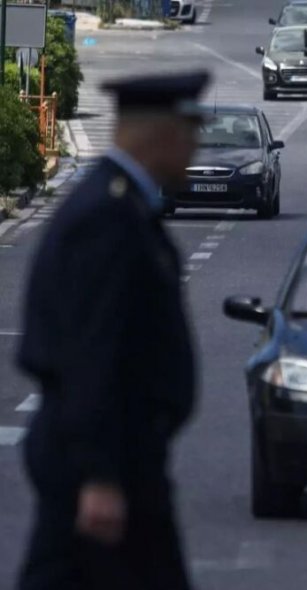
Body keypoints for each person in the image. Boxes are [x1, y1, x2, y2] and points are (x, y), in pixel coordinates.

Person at [16, 70, 210, 590]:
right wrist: (100, 474)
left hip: (120, 455)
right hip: (105, 459)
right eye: (190, 133)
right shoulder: (107, 217)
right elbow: (89, 354)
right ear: (160, 134)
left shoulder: (122, 205)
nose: (196, 147)